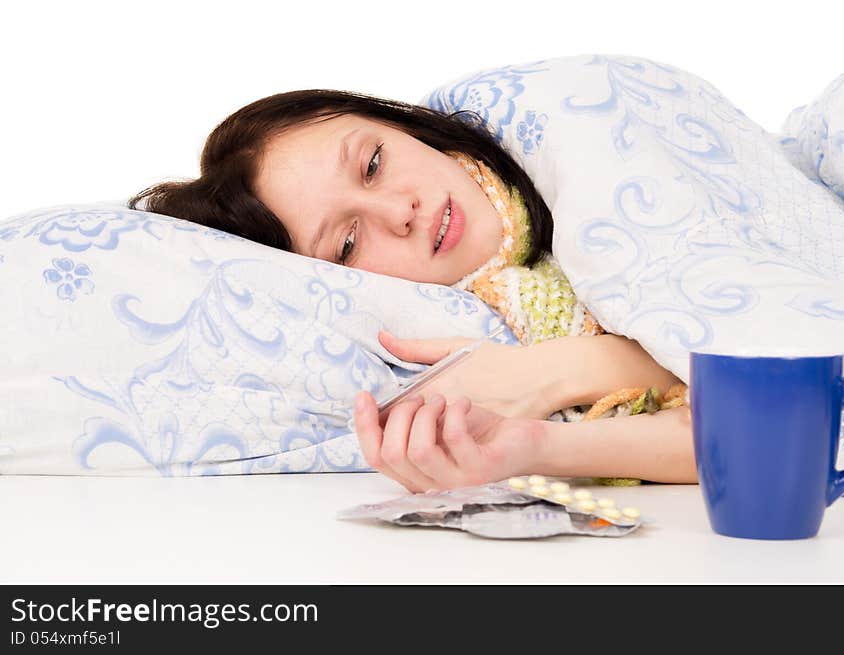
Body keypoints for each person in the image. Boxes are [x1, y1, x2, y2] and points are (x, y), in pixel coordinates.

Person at [128, 89, 698, 493]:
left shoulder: (578, 154)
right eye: (347, 243)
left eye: (373, 162)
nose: (399, 210)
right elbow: (756, 435)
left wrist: (547, 373)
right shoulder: (472, 336)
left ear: (403, 126)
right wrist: (532, 444)